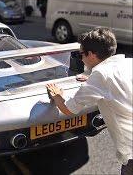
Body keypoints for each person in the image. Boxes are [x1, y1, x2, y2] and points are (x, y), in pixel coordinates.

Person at [46, 27, 132, 175]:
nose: (81, 58)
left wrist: (57, 95)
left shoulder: (100, 75)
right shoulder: (128, 63)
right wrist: (93, 81)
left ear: (91, 54)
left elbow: (68, 109)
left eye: (81, 54)